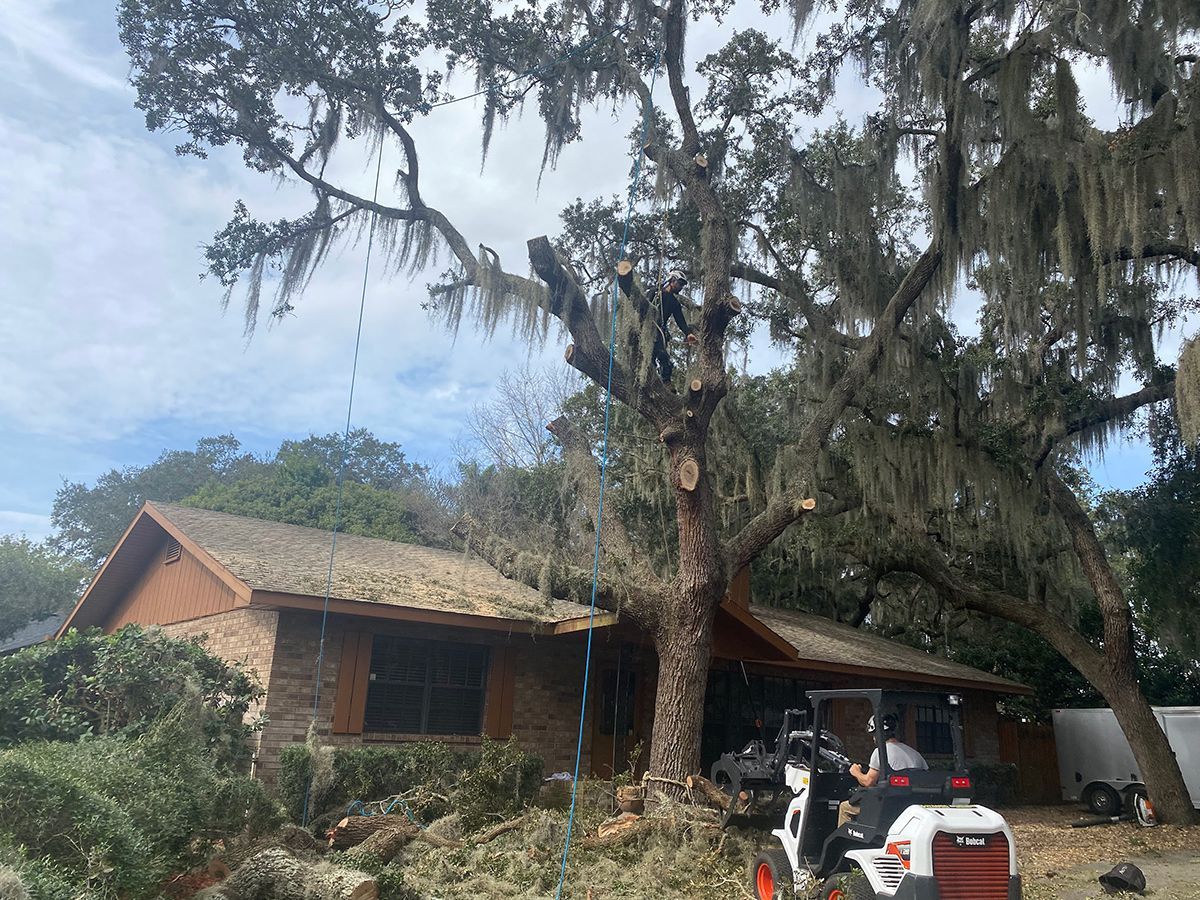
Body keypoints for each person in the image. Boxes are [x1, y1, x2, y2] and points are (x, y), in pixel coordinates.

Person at [837, 713, 929, 828]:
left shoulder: (880, 752)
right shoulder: (915, 754)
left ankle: (843, 843)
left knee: (845, 807)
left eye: (873, 735)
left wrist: (855, 772)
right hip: (909, 804)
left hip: (887, 805)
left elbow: (868, 782)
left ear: (878, 733)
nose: (873, 738)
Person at [649, 270, 696, 384]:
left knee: (663, 356)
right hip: (646, 328)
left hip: (659, 331)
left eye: (682, 285)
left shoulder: (675, 303)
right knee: (648, 358)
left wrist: (688, 333)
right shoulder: (656, 293)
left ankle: (666, 383)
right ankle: (647, 374)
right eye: (679, 284)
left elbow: (680, 321)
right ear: (672, 280)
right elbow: (643, 305)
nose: (681, 287)